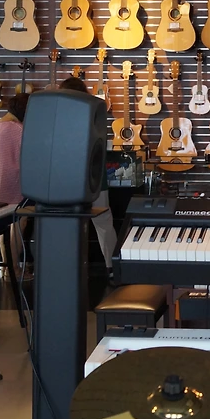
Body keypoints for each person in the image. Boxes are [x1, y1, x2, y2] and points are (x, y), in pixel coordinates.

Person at [57, 76, 119, 274]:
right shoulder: (95, 111)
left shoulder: (60, 115)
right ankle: (112, 268)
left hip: (70, 178)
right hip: (95, 178)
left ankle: (67, 267)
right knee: (104, 223)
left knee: (69, 224)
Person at [0, 92, 29, 278]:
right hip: (12, 182)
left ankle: (7, 269)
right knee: (19, 224)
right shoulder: (17, 129)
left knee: (4, 229)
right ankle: (15, 270)